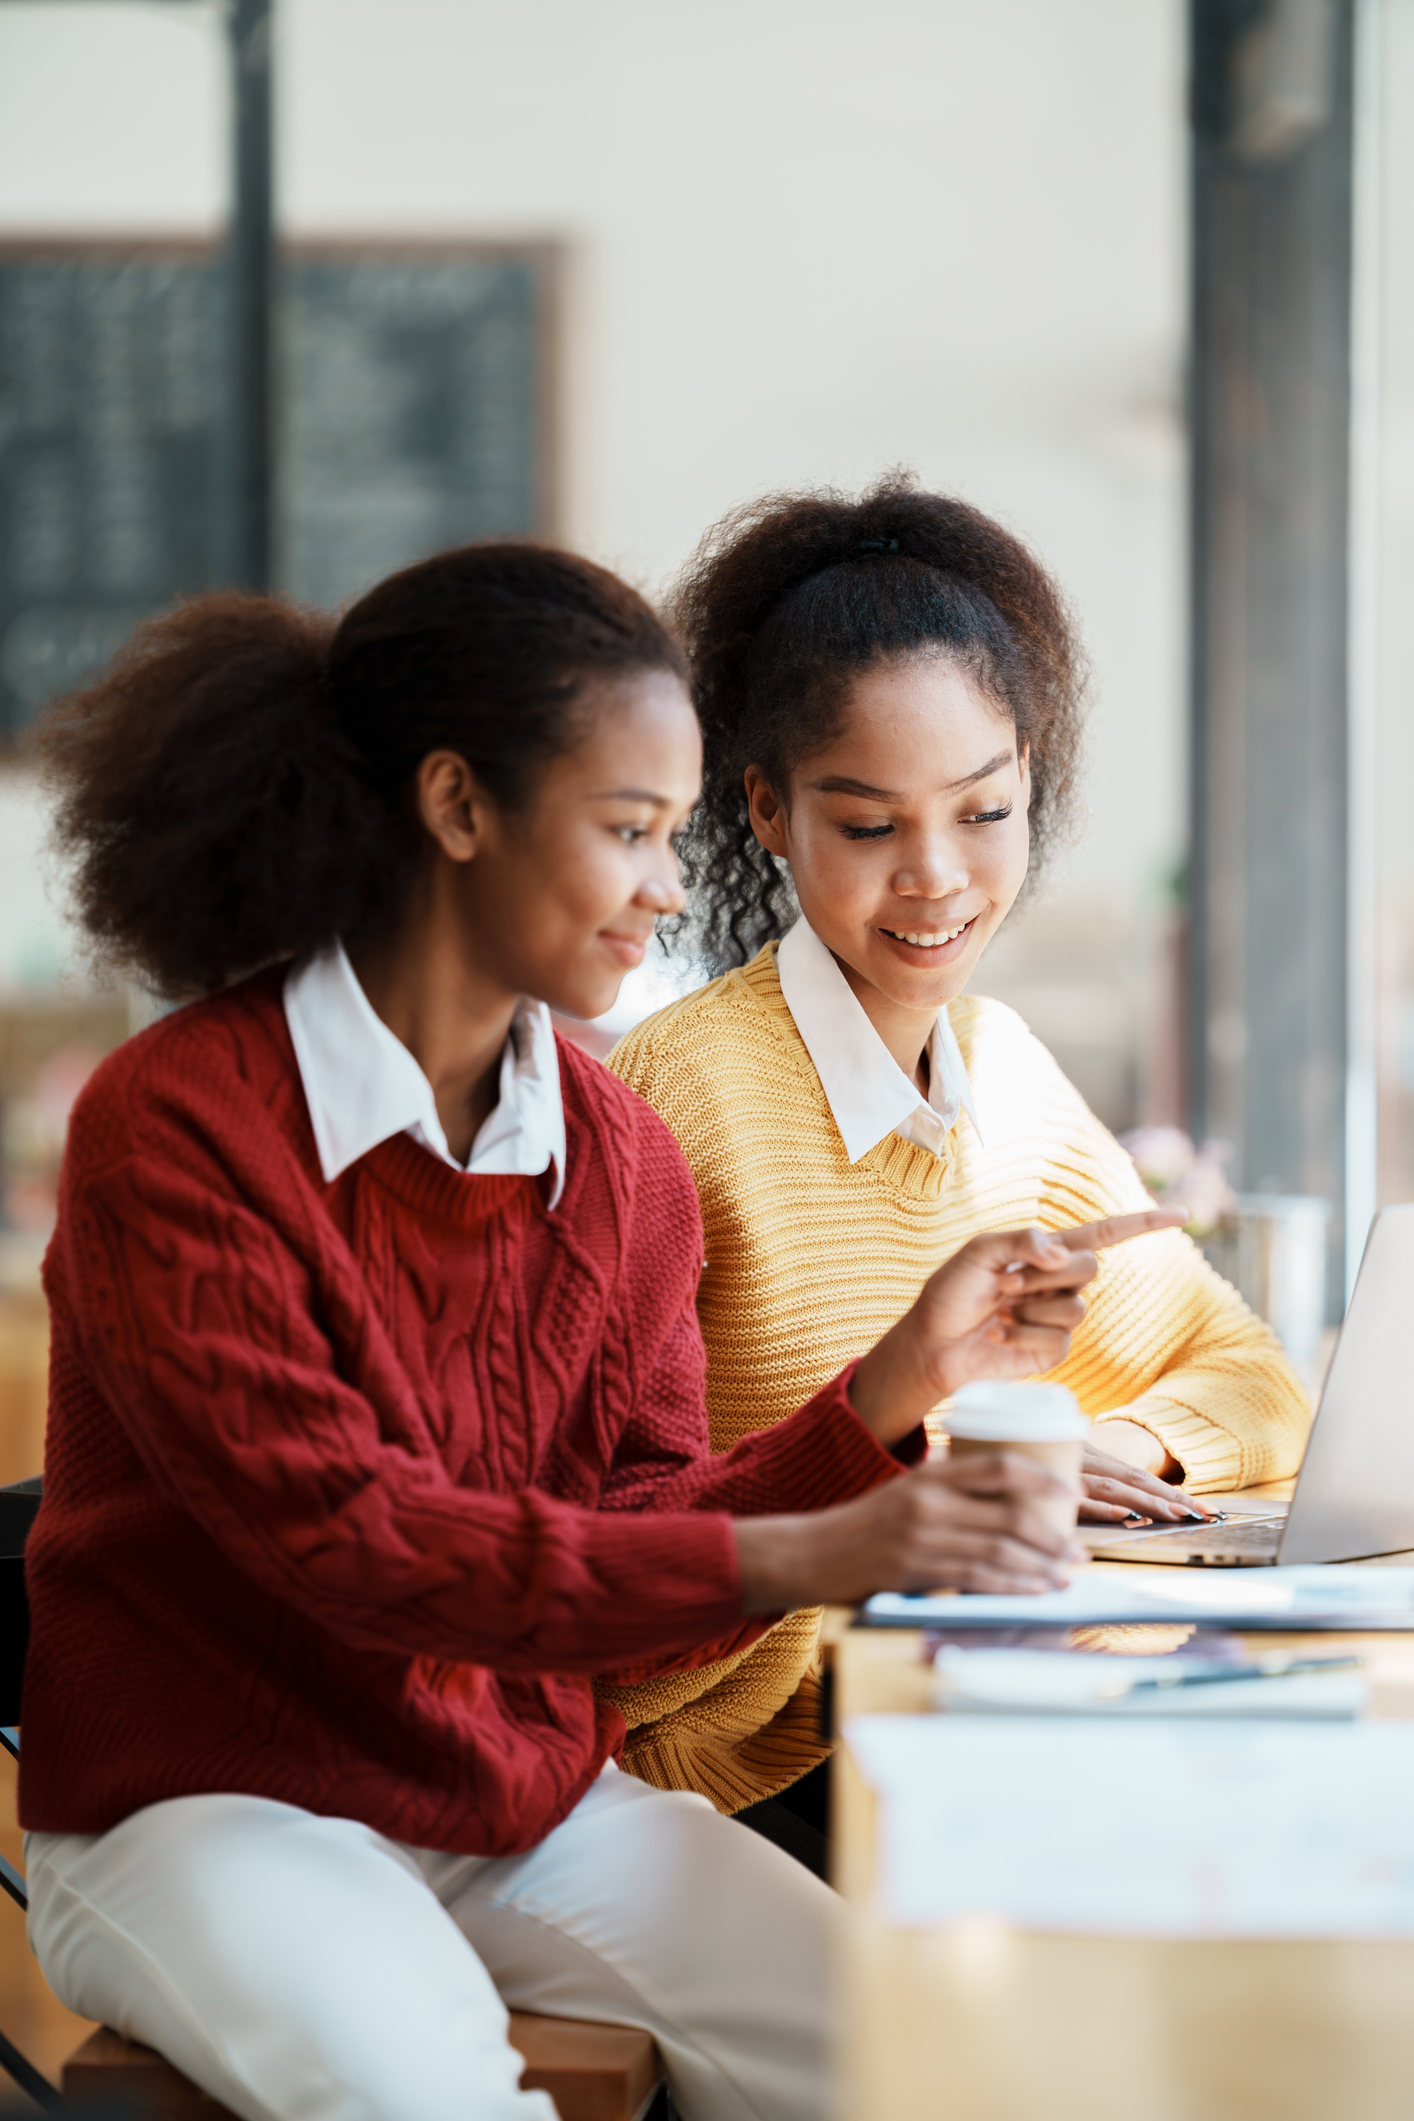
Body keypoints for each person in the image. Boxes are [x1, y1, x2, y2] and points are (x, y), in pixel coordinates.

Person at [17, 543, 1180, 2121]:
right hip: (202, 1805)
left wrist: (897, 1386)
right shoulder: (180, 1122)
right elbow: (362, 1548)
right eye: (628, 828)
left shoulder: (617, 1163)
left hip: (511, 1795)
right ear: (456, 809)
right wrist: (827, 1547)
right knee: (428, 2091)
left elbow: (625, 1564)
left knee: (934, 2073)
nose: (671, 883)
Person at [604, 477, 1311, 1852]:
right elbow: (618, 1628)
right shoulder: (671, 1104)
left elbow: (1259, 1381)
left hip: (969, 1718)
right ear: (764, 807)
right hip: (743, 1785)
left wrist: (1103, 1441)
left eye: (983, 811)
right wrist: (918, 1458)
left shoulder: (1007, 1080)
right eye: (868, 826)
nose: (935, 876)